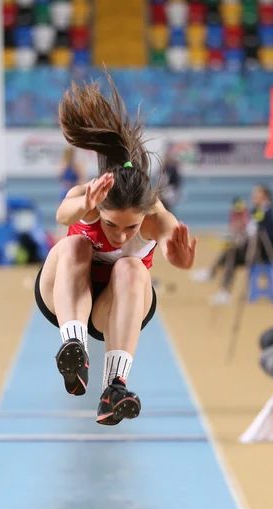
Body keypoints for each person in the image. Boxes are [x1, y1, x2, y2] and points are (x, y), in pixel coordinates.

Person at [34, 74, 197, 426]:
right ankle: (73, 348)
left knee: (133, 268)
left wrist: (178, 257)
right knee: (74, 243)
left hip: (115, 309)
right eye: (111, 225)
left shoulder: (155, 215)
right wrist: (82, 209)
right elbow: (62, 214)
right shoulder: (88, 197)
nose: (121, 238)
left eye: (131, 228)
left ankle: (114, 388)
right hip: (67, 294)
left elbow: (171, 236)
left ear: (144, 216)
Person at [209, 185, 273, 305]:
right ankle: (220, 286)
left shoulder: (268, 212)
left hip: (262, 252)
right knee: (231, 252)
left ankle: (215, 277)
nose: (253, 197)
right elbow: (250, 230)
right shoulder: (257, 210)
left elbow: (265, 236)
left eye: (256, 194)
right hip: (252, 248)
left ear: (264, 196)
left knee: (231, 253)